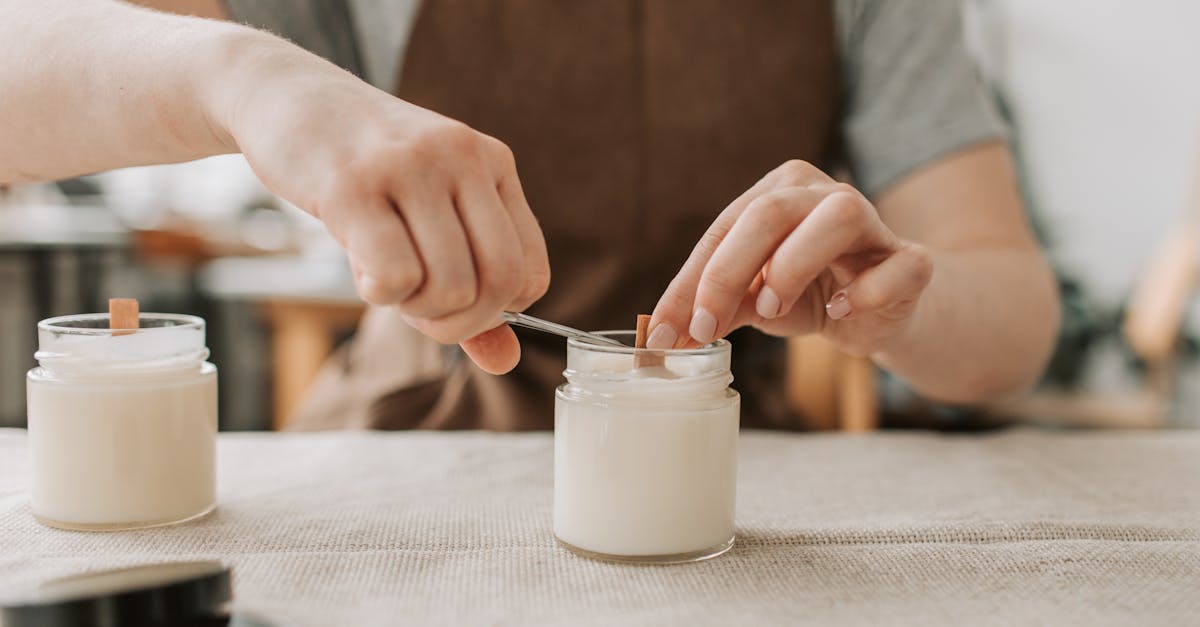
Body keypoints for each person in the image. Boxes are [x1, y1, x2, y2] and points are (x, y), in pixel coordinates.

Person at [0, 0, 1060, 430]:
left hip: (727, 479)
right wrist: (238, 73)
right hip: (403, 453)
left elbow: (1013, 319)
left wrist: (895, 309)